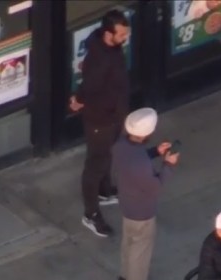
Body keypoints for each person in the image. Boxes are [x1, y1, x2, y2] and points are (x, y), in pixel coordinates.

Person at [70, 9, 131, 238]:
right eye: (122, 33)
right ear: (108, 34)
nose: (125, 37)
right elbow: (89, 86)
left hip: (112, 115)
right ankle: (91, 213)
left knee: (108, 154)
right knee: (96, 163)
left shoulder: (110, 48)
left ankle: (105, 191)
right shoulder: (101, 58)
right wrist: (77, 100)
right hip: (100, 118)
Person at [112, 107, 179, 280]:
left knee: (128, 243)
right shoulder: (141, 163)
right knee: (140, 253)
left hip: (127, 204)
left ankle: (124, 278)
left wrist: (155, 153)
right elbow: (155, 186)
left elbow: (136, 157)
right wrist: (169, 165)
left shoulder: (120, 146)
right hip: (143, 211)